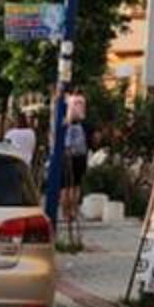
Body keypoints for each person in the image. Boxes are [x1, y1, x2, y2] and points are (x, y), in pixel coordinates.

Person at [60, 95, 89, 230]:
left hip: (67, 156)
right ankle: (73, 211)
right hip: (80, 156)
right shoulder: (82, 126)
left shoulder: (66, 125)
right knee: (76, 185)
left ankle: (66, 212)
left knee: (65, 186)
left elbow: (65, 144)